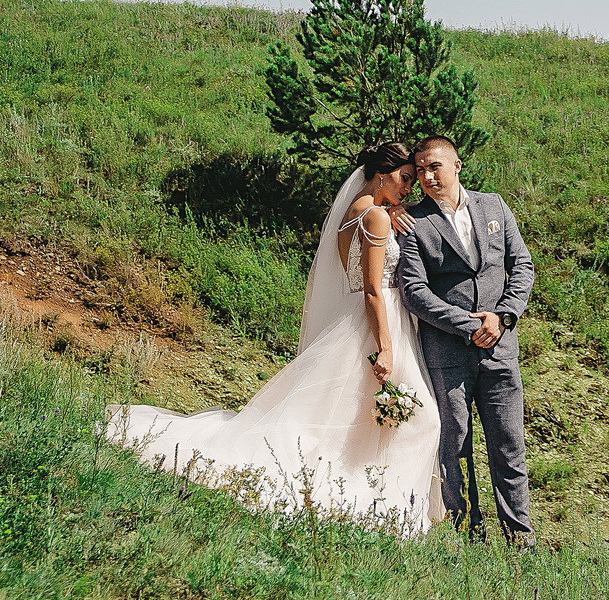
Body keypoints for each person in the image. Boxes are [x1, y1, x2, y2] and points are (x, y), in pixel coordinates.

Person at [110, 142, 445, 533]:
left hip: (358, 320)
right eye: (405, 178)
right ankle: (384, 503)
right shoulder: (377, 219)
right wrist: (385, 346)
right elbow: (372, 289)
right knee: (423, 420)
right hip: (380, 321)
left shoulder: (354, 212)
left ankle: (372, 493)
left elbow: (352, 279)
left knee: (357, 412)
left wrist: (389, 210)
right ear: (381, 174)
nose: (409, 187)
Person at [394, 135, 536, 543]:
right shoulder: (413, 221)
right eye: (419, 170)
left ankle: (519, 533)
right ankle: (466, 531)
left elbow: (521, 264)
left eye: (434, 166)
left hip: (501, 347)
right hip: (448, 350)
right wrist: (466, 324)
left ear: (457, 165)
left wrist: (504, 317)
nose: (426, 176)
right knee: (454, 445)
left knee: (509, 445)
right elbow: (414, 291)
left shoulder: (494, 205)